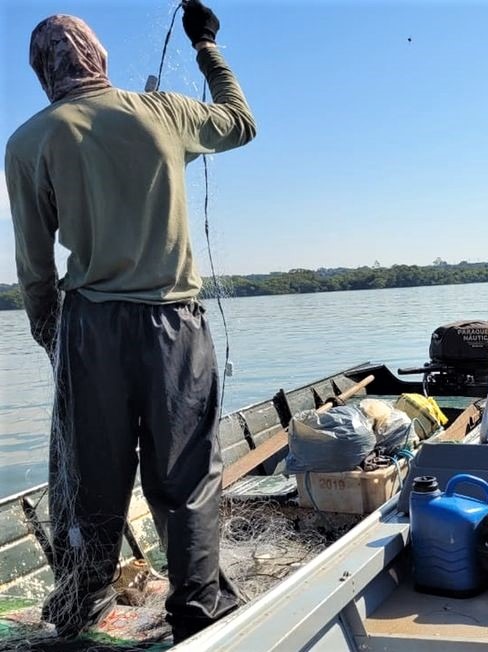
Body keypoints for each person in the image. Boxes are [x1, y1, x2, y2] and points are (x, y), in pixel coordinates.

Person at [5, 1, 256, 642]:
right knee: (185, 480)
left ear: (41, 70)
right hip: (175, 324)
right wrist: (208, 48)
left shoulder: (29, 141)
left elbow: (35, 264)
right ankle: (199, 612)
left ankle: (76, 608)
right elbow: (240, 123)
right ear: (100, 56)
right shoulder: (164, 114)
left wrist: (50, 336)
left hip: (90, 331)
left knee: (90, 477)